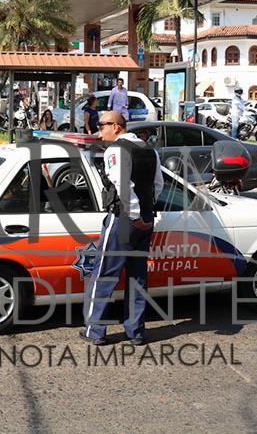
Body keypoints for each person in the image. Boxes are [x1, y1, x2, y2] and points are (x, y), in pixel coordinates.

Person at [82, 110, 163, 346]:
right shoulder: (150, 150)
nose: (99, 130)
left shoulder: (115, 150)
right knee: (137, 276)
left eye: (102, 125)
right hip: (145, 220)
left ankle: (94, 331)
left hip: (125, 219)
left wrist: (135, 214)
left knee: (104, 275)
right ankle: (135, 332)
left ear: (116, 126)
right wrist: (146, 213)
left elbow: (121, 184)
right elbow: (157, 185)